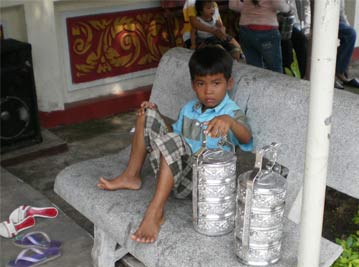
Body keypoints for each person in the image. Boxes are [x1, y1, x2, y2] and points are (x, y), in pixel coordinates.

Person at [97, 46, 253, 243]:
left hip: (204, 184)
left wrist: (230, 122)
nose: (208, 91)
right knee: (146, 115)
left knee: (174, 140)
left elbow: (246, 139)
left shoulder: (231, 112)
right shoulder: (190, 108)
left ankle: (155, 211)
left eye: (216, 83)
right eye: (201, 83)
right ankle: (131, 176)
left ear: (228, 83)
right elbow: (173, 138)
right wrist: (157, 115)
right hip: (176, 174)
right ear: (193, 85)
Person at [229, 0, 294, 73]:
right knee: (274, 69)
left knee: (254, 68)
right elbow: (278, 4)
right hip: (267, 31)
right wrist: (289, 8)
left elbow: (233, 5)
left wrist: (248, 9)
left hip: (245, 30)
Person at [335, 0, 359, 89]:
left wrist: (348, 27)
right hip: (317, 23)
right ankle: (336, 73)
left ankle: (339, 70)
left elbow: (341, 14)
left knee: (350, 33)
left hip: (335, 23)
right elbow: (308, 9)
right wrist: (308, 29)